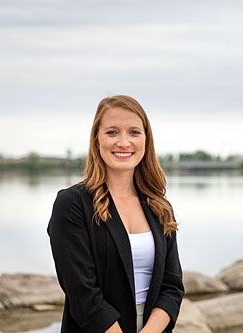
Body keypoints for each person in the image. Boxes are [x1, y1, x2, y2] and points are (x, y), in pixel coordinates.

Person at [48, 95, 184, 333]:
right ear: (96, 140)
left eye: (133, 132)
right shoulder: (72, 204)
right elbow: (82, 294)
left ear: (146, 139)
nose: (123, 142)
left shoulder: (159, 206)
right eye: (112, 132)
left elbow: (172, 287)